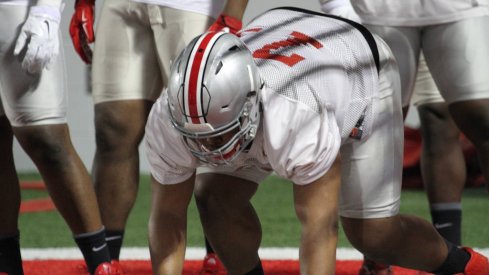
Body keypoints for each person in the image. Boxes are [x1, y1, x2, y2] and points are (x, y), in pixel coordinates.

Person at [144, 7, 489, 275]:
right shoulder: (170, 117)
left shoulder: (294, 114)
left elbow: (319, 232)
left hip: (360, 68)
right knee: (214, 198)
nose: (207, 150)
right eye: (196, 137)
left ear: (251, 103)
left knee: (373, 234)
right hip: (290, 43)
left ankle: (464, 265)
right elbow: (168, 218)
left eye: (218, 135)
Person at [69, 0, 248, 272]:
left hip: (193, 6)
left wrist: (234, 13)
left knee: (206, 124)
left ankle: (219, 253)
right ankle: (106, 261)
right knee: (112, 131)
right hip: (121, 6)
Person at [0, 0, 121, 274]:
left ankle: (101, 264)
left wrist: (48, 9)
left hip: (18, 10)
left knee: (47, 139)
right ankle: (6, 264)